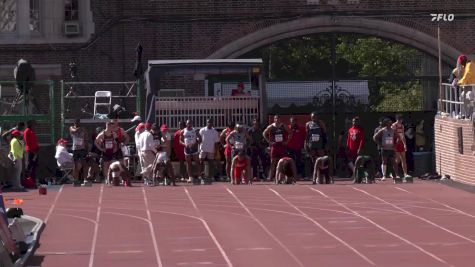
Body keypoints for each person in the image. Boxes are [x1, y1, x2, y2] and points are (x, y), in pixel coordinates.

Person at [263, 115, 291, 182]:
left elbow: (290, 132)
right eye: (275, 118)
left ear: (280, 119)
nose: (277, 119)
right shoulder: (271, 126)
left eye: (278, 118)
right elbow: (264, 133)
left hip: (282, 146)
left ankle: (283, 176)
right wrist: (269, 142)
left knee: (283, 161)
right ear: (274, 119)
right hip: (274, 146)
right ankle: (270, 177)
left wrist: (287, 141)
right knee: (273, 162)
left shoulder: (283, 126)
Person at [392, 114, 411, 179]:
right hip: (396, 144)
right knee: (397, 160)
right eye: (399, 120)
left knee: (404, 159)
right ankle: (394, 173)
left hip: (401, 143)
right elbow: (392, 135)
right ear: (397, 120)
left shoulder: (402, 126)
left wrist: (405, 144)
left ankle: (405, 173)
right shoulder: (394, 126)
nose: (400, 121)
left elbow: (403, 136)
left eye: (401, 120)